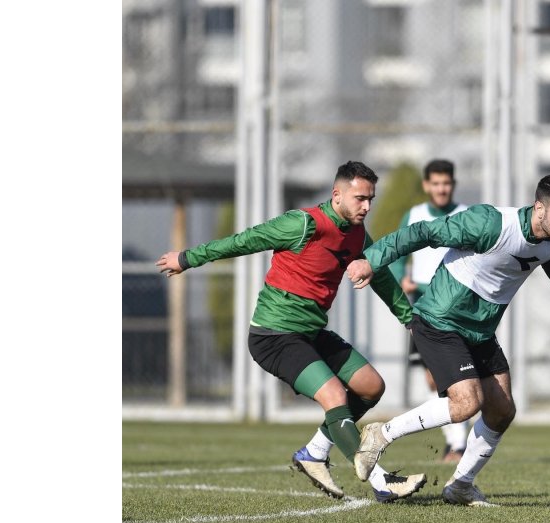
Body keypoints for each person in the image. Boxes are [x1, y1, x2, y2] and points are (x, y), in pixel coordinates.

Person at [345, 172, 550, 506]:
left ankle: (461, 486)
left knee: (501, 411)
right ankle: (382, 433)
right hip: (440, 318)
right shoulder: (490, 223)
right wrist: (372, 260)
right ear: (539, 208)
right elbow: (422, 232)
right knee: (467, 402)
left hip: (480, 330)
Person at [155, 161, 427, 504]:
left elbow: (382, 276)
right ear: (337, 194)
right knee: (334, 396)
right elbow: (244, 241)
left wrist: (409, 318)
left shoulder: (357, 234)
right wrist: (188, 258)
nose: (367, 207)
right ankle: (381, 480)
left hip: (311, 334)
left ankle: (313, 453)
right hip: (274, 336)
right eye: (360, 198)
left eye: (370, 199)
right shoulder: (302, 223)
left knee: (371, 386)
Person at [386, 159, 472, 463]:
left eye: (446, 183)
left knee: (461, 379)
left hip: (460, 308)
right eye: (435, 183)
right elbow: (397, 254)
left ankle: (459, 445)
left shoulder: (466, 216)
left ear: (452, 184)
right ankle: (456, 443)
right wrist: (401, 280)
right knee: (434, 380)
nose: (441, 188)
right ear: (427, 185)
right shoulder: (416, 215)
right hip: (423, 306)